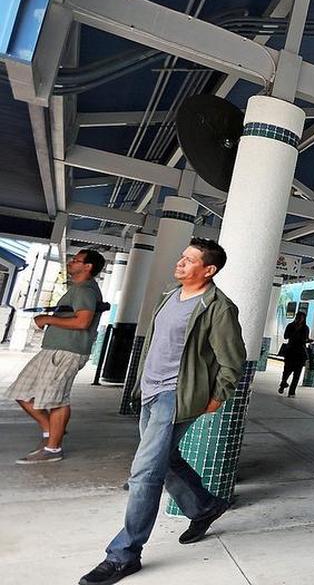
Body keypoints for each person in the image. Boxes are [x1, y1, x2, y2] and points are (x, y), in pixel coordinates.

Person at [79, 238, 244, 585]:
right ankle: (204, 506)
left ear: (209, 270)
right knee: (163, 461)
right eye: (182, 256)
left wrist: (217, 397)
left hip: (176, 397)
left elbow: (233, 361)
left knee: (144, 474)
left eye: (190, 260)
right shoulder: (170, 296)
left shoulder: (218, 308)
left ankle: (124, 555)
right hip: (151, 392)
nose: (181, 263)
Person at [7, 249, 105, 463]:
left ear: (87, 267)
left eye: (76, 260)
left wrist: (48, 320)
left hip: (67, 352)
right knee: (22, 392)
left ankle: (53, 449)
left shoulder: (85, 291)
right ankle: (49, 431)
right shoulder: (77, 289)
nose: (71, 262)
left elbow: (82, 322)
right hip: (53, 350)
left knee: (57, 399)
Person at [278, 311, 310, 397]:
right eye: (299, 317)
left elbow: (304, 339)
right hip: (292, 352)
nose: (300, 319)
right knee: (288, 372)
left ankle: (291, 391)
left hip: (297, 353)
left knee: (294, 373)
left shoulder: (304, 328)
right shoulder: (292, 326)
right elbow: (286, 336)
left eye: (301, 318)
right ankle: (284, 384)